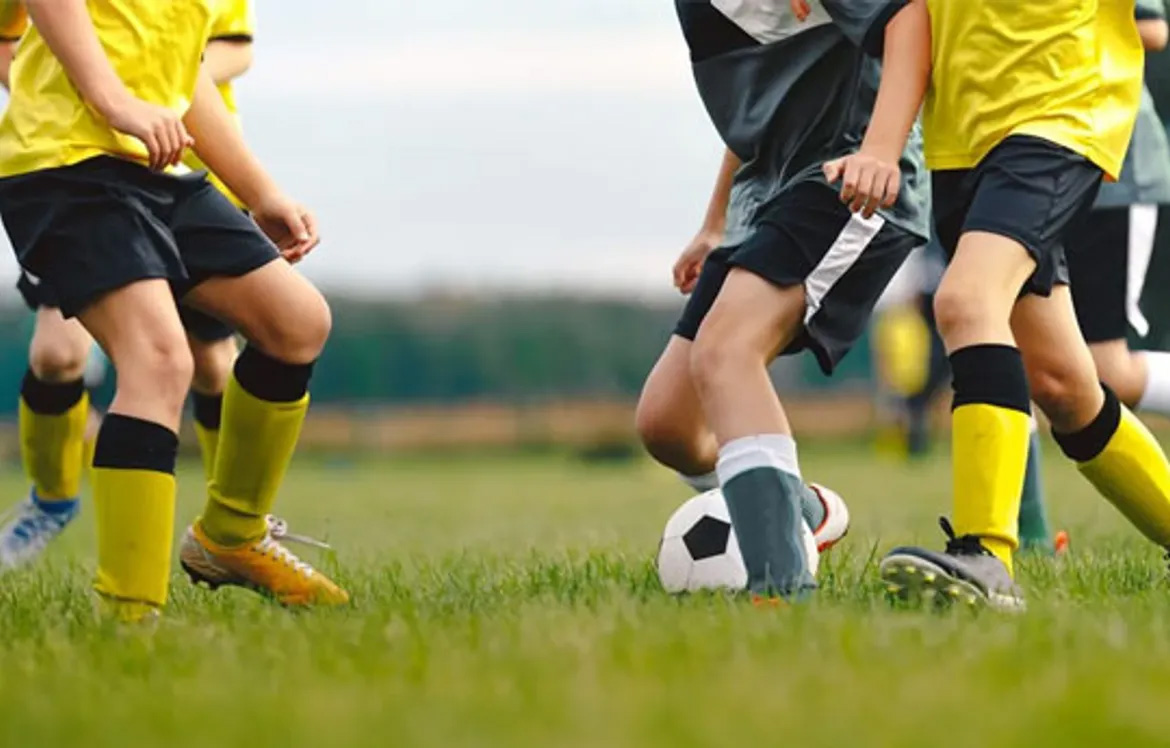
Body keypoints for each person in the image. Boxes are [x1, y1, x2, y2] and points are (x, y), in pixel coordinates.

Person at [0, 0, 347, 621]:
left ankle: (231, 536)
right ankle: (129, 619)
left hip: (158, 170)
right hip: (66, 167)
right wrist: (113, 101)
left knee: (298, 322)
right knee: (160, 361)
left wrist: (260, 193)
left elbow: (184, 76)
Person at [826, 0, 1170, 609]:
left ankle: (986, 556)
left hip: (1060, 111)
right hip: (961, 139)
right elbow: (911, 21)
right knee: (1063, 384)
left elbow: (1150, 28)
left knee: (964, 300)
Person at [636, 0, 930, 599]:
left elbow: (909, 17)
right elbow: (761, 109)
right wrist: (716, 221)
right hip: (764, 197)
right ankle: (802, 512)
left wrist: (878, 150)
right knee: (666, 422)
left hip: (846, 178)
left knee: (726, 352)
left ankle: (781, 590)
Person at [0, 0, 254, 571]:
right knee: (57, 355)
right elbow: (11, 34)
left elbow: (236, 46)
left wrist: (163, 79)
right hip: (76, 169)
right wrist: (87, 83)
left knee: (215, 361)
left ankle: (233, 528)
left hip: (183, 169)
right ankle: (53, 500)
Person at [1067, 8, 1170, 420]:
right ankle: (1010, 489)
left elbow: (1152, 29)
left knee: (1105, 370)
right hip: (1013, 165)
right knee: (1011, 356)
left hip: (1111, 169)